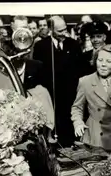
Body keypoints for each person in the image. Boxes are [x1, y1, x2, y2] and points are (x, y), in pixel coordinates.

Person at [33, 16, 83, 147]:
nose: (64, 34)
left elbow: (79, 70)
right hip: (50, 97)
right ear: (50, 29)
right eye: (60, 31)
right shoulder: (40, 46)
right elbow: (38, 73)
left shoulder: (74, 45)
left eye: (65, 30)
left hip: (70, 95)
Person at [71, 44, 111, 152]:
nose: (103, 64)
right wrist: (78, 123)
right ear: (95, 60)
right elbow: (77, 107)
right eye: (100, 60)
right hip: (94, 135)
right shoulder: (85, 81)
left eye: (109, 61)